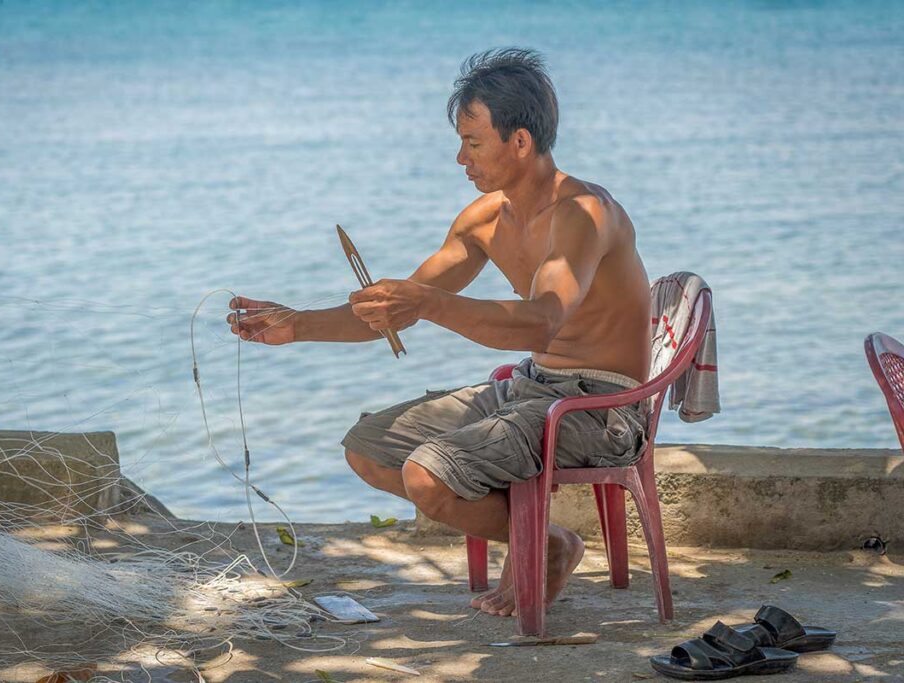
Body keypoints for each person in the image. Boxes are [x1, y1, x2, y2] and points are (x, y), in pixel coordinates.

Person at [227, 48, 651, 617]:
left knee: (429, 478)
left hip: (601, 408)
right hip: (531, 388)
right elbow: (394, 312)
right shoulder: (483, 219)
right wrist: (293, 325)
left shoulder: (583, 213)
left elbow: (539, 319)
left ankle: (545, 549)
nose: (460, 158)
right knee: (369, 449)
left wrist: (430, 303)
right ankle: (548, 541)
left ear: (519, 142)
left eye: (473, 143)